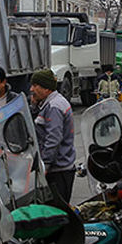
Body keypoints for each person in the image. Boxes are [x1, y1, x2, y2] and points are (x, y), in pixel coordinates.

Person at [28, 69, 76, 204]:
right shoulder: (50, 103)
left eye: (35, 85)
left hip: (58, 172)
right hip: (58, 169)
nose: (31, 89)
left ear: (46, 88)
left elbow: (53, 139)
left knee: (56, 214)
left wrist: (45, 166)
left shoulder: (54, 107)